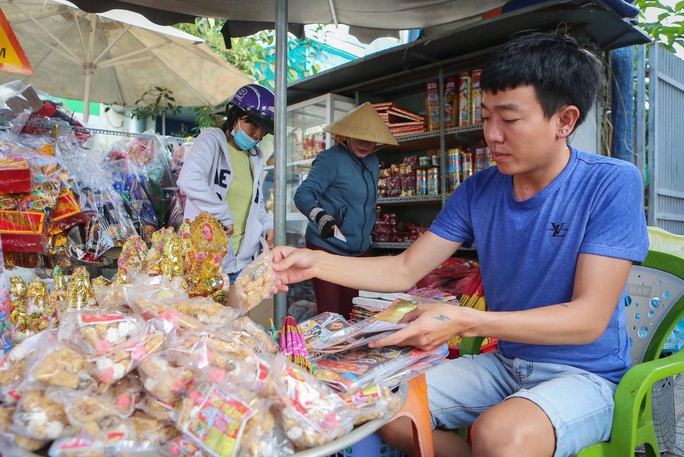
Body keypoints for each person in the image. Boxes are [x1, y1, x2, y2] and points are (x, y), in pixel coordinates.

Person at [271, 32, 649, 457]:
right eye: (487, 117)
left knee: (499, 435)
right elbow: (403, 269)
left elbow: (588, 319)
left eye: (509, 119)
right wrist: (315, 262)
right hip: (507, 365)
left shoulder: (611, 182)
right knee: (385, 407)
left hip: (586, 374)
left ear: (564, 121)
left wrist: (465, 321)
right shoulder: (478, 190)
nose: (491, 135)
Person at [293, 102, 398, 318]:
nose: (364, 144)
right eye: (359, 137)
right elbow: (303, 194)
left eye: (370, 139)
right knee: (331, 315)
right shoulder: (330, 159)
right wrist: (319, 215)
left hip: (358, 250)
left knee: (354, 313)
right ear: (347, 135)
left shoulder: (373, 161)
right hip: (327, 247)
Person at [178, 83, 275, 300]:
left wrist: (268, 226)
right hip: (207, 260)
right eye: (253, 126)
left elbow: (255, 205)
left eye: (263, 130)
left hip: (242, 262)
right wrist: (221, 213)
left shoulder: (255, 157)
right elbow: (188, 179)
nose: (258, 134)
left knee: (237, 328)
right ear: (235, 118)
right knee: (203, 326)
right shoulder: (212, 140)